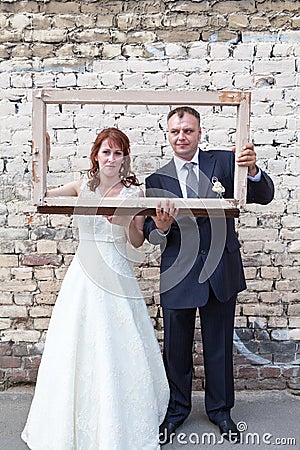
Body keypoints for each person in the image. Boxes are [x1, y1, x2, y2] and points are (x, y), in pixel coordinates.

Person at [22, 127, 169, 450]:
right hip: (83, 276)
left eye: (118, 153)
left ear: (125, 158)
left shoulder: (135, 193)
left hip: (117, 274)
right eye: (106, 152)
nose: (112, 159)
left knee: (117, 347)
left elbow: (137, 242)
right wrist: (42, 156)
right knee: (75, 347)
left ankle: (118, 425)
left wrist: (128, 223)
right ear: (96, 155)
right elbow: (41, 194)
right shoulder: (81, 187)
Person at [143, 107, 274, 445]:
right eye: (175, 131)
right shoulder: (156, 180)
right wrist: (160, 226)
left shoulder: (225, 163)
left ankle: (220, 412)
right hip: (178, 274)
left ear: (200, 133)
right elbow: (151, 234)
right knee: (175, 349)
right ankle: (176, 411)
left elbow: (264, 195)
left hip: (220, 271)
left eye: (187, 130)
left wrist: (254, 170)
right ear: (168, 135)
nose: (181, 137)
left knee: (218, 347)